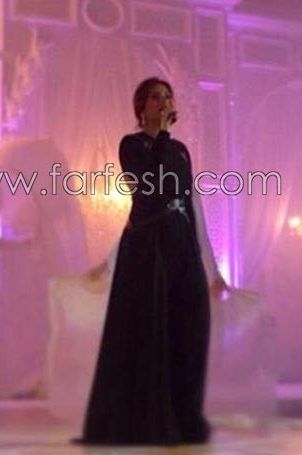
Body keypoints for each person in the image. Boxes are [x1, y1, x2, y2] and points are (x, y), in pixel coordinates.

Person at [76, 78, 229, 446]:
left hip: (181, 242)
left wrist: (210, 267)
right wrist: (161, 136)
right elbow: (148, 189)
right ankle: (149, 420)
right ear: (141, 106)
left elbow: (192, 203)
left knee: (189, 327)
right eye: (156, 97)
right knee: (152, 330)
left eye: (167, 96)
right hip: (148, 247)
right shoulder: (131, 145)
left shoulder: (180, 150)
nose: (164, 102)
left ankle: (184, 417)